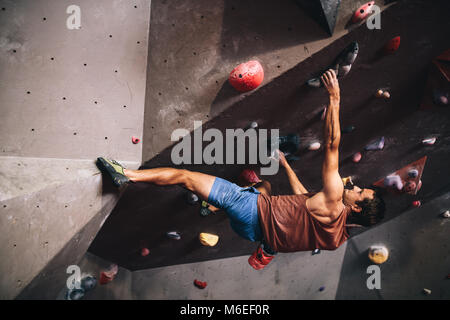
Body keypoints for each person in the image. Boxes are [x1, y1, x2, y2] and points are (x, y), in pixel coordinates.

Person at [96, 69, 385, 270]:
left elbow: (333, 144)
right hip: (251, 234)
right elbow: (303, 196)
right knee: (266, 187)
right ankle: (228, 218)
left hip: (248, 209)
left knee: (186, 177)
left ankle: (128, 176)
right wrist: (283, 164)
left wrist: (334, 98)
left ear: (357, 209)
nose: (353, 188)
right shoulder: (337, 238)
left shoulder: (335, 197)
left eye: (359, 193)